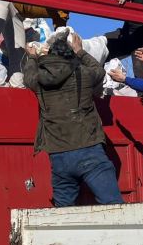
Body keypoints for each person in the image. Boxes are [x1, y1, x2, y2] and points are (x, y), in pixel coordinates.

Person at [22, 30, 123, 207]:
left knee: (63, 213)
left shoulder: (38, 79)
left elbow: (28, 76)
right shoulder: (83, 73)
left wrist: (32, 57)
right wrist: (80, 51)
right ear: (70, 54)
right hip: (88, 148)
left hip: (59, 155)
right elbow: (98, 71)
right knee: (113, 205)